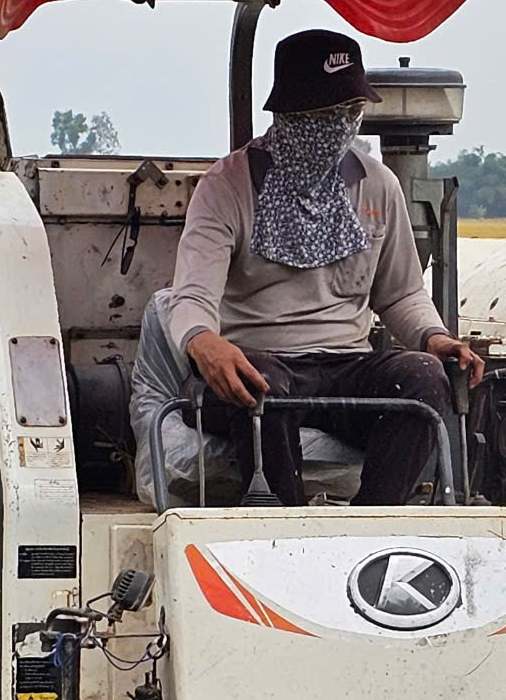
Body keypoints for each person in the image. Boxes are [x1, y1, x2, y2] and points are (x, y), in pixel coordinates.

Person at [137, 28, 483, 505]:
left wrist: (435, 337)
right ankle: (286, 522)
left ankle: (373, 522)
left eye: (350, 114)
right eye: (324, 116)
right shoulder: (227, 187)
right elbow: (191, 296)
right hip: (262, 362)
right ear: (289, 115)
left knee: (424, 378)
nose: (339, 127)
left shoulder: (378, 185)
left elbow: (401, 294)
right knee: (258, 387)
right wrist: (204, 343)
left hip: (348, 363)